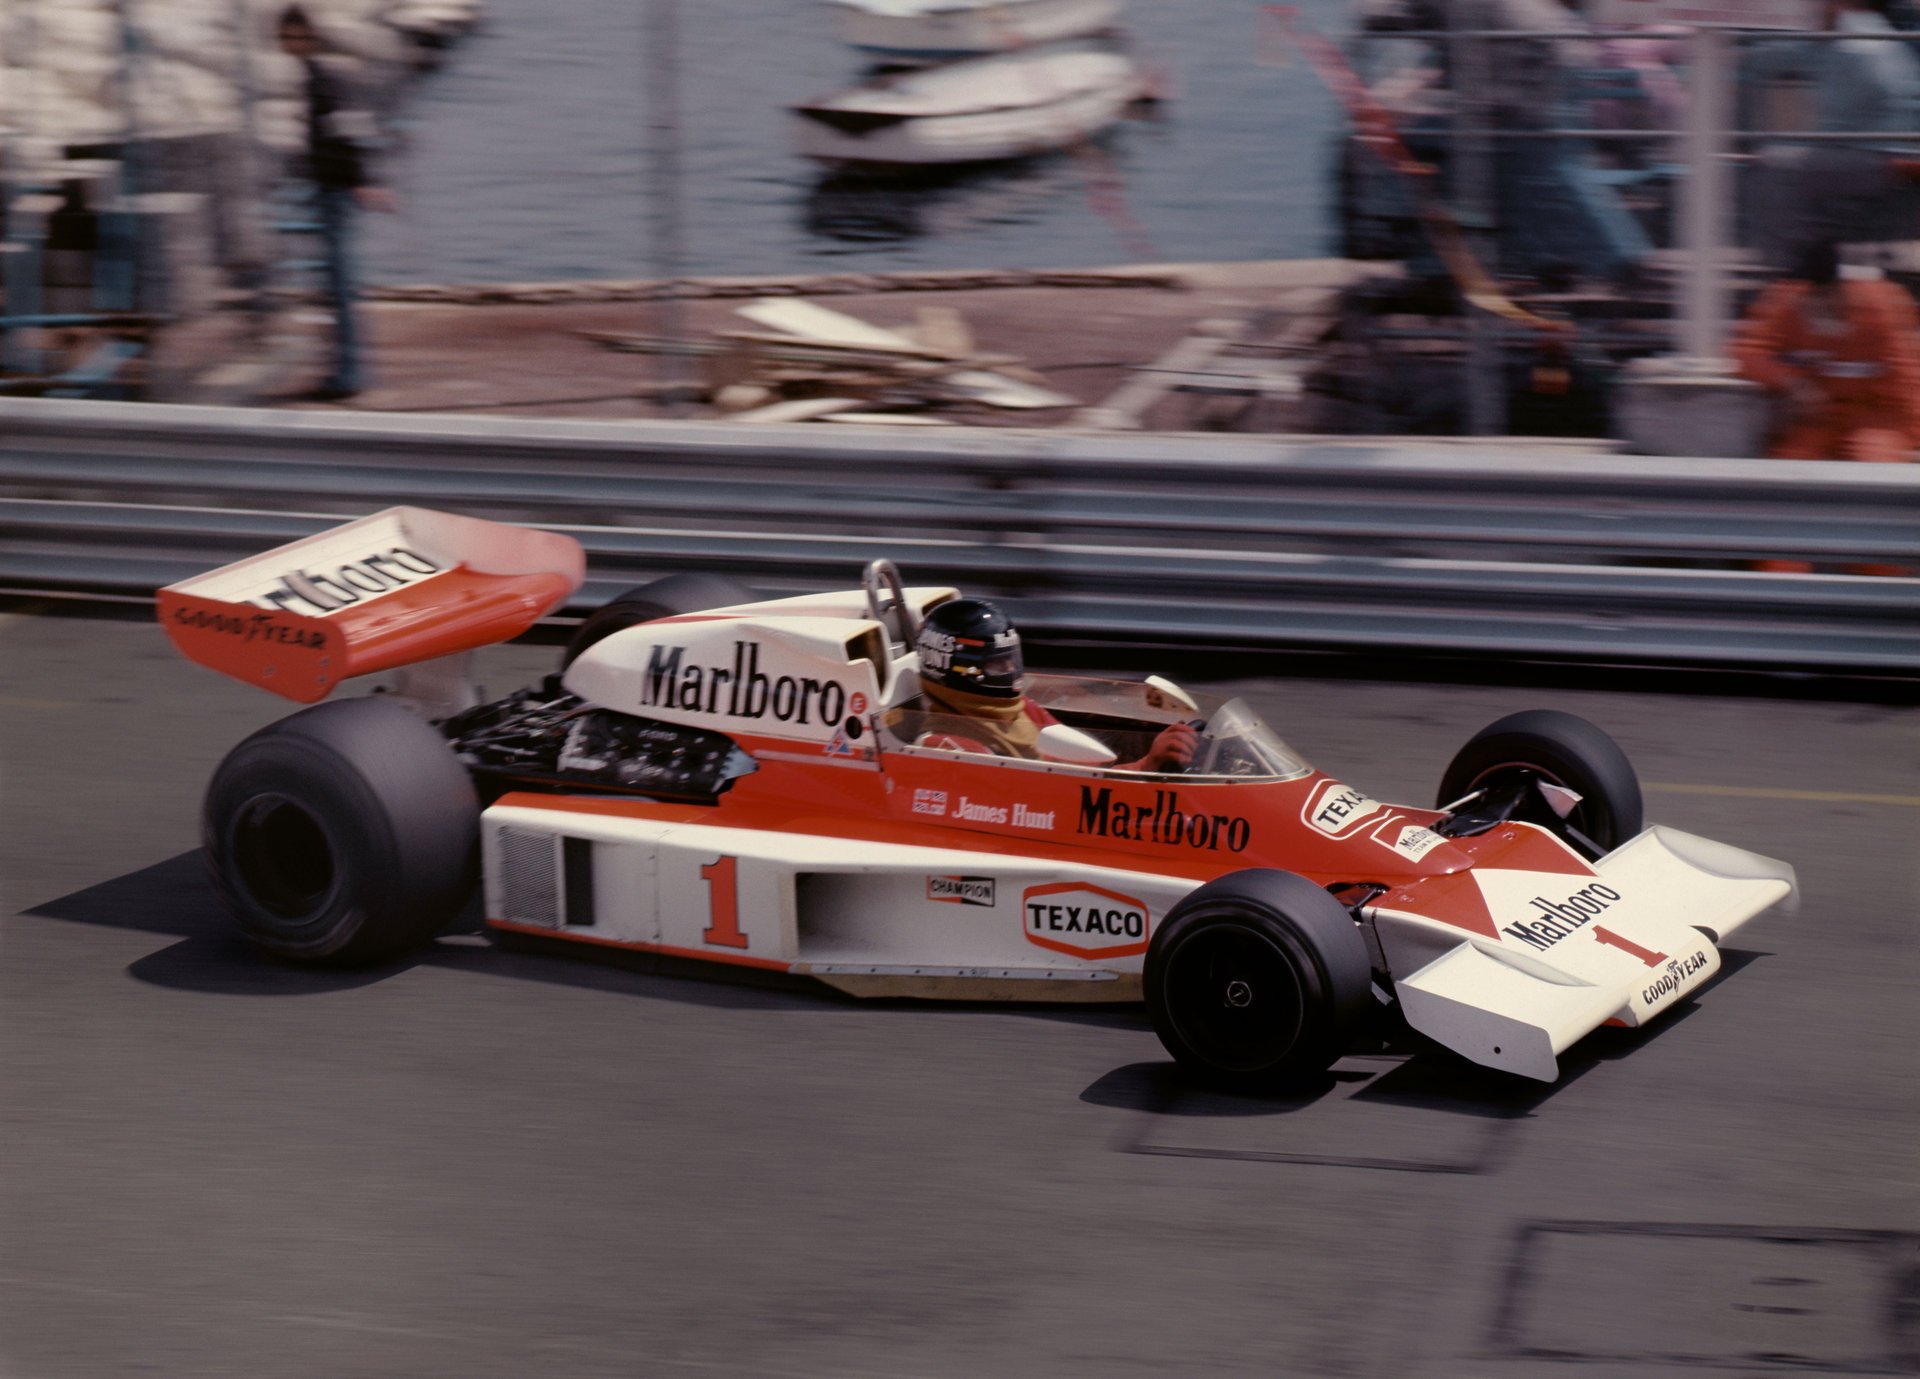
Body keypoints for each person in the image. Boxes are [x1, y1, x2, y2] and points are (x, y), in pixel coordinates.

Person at [895, 598, 1198, 772]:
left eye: (1011, 659)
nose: (1010, 670)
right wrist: (1144, 767)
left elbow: (1080, 764)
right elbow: (1052, 793)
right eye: (997, 663)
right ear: (959, 669)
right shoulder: (947, 746)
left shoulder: (1019, 709)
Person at [277, 5, 395, 401]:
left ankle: (348, 375)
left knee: (341, 285)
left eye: (298, 36)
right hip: (328, 189)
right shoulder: (313, 75)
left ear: (310, 37)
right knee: (337, 284)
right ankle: (346, 370)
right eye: (287, 37)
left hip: (337, 193)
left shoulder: (321, 78)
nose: (293, 43)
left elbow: (344, 132)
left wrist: (361, 181)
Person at [1731, 240, 1920, 464]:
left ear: (1836, 288)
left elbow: (1910, 378)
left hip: (1878, 418)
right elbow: (1747, 355)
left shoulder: (1884, 307)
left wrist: (1913, 434)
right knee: (1791, 466)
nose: (1808, 303)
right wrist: (1794, 383)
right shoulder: (1786, 299)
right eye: (1806, 295)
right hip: (1817, 418)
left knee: (1875, 461)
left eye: (1819, 294)